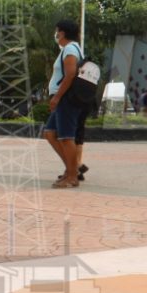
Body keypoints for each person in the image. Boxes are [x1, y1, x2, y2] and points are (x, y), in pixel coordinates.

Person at [43, 20, 85, 189]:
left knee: (66, 137)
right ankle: (70, 169)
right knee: (50, 133)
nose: (56, 34)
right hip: (63, 98)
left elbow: (70, 74)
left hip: (66, 99)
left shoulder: (70, 49)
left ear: (62, 33)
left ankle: (73, 176)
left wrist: (57, 97)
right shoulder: (71, 49)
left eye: (57, 31)